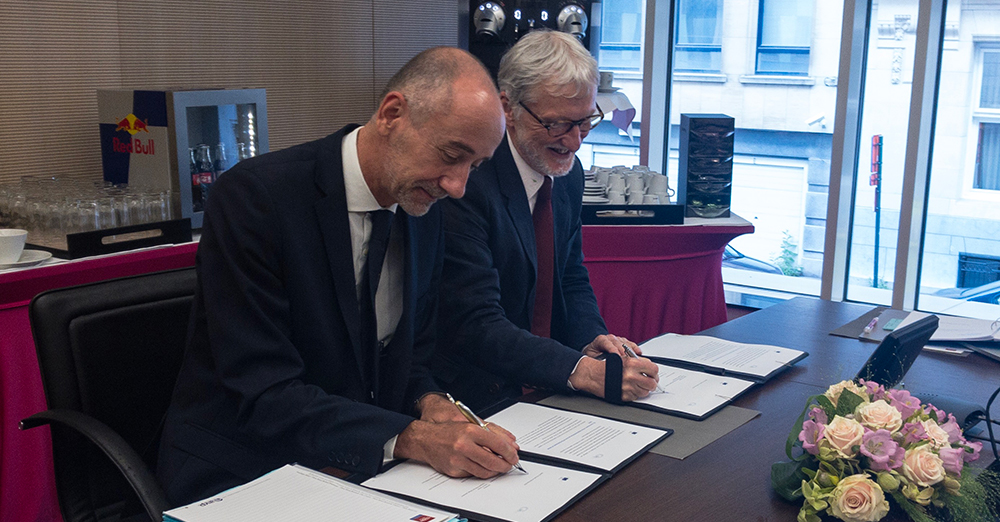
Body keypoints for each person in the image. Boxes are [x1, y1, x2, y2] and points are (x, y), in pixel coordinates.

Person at [157, 47, 519, 505]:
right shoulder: (256, 198)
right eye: (451, 154)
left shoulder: (422, 205)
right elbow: (263, 391)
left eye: (476, 166)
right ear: (393, 113)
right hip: (244, 468)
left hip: (357, 463)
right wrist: (412, 437)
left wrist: (431, 404)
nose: (458, 185)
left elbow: (408, 358)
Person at [431, 30, 661, 412]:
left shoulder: (569, 176)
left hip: (549, 383)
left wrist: (593, 338)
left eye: (585, 122)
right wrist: (581, 371)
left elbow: (570, 277)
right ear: (508, 107)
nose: (574, 142)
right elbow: (475, 323)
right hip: (474, 394)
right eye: (557, 124)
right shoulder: (468, 182)